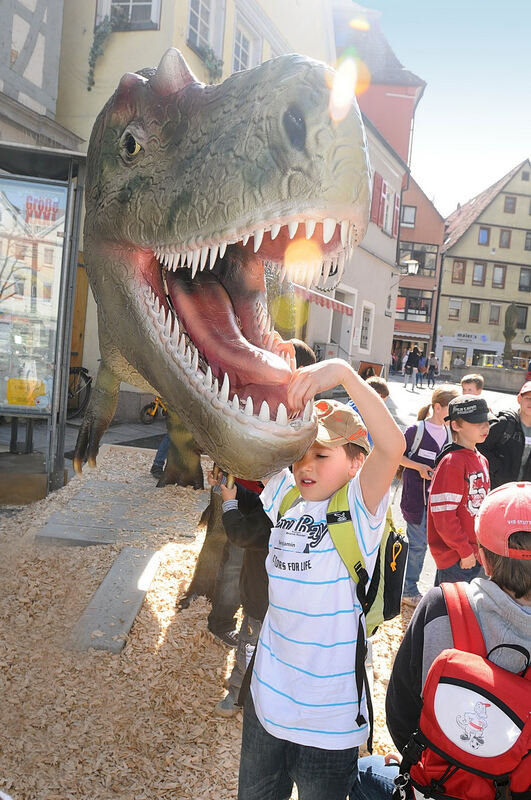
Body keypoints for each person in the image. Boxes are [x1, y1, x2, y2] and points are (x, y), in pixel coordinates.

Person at [237, 358, 405, 800]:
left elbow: (392, 446)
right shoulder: (287, 497)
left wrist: (345, 376)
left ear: (355, 463)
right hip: (266, 700)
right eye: (300, 456)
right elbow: (248, 438)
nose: (304, 466)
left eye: (322, 454)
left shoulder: (360, 509)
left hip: (328, 721)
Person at [351, 481, 531, 800]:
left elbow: (400, 708)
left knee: (363, 773)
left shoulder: (442, 606)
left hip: (436, 782)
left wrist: (413, 760)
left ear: (482, 556)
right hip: (512, 790)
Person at [207, 339, 317, 647]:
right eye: (279, 357)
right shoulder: (256, 389)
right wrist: (223, 472)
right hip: (246, 489)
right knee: (235, 559)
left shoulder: (307, 410)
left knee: (261, 566)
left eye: (289, 359)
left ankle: (258, 622)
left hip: (280, 499)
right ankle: (223, 621)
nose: (281, 364)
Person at [399, 386, 459, 607]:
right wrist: (418, 467)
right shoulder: (415, 430)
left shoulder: (450, 433)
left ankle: (413, 587)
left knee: (432, 545)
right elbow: (398, 456)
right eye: (450, 410)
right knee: (418, 546)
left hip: (437, 502)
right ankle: (408, 589)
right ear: (437, 407)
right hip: (416, 500)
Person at [427, 394, 492, 585]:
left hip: (475, 554)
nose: (485, 427)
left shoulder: (481, 459)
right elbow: (444, 516)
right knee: (452, 611)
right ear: (456, 425)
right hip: (458, 558)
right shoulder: (452, 462)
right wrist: (464, 551)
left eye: (486, 421)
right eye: (477, 422)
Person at [478, 380, 531, 488]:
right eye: (528, 399)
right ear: (519, 399)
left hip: (524, 492)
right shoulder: (504, 423)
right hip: (497, 488)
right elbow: (479, 446)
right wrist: (497, 469)